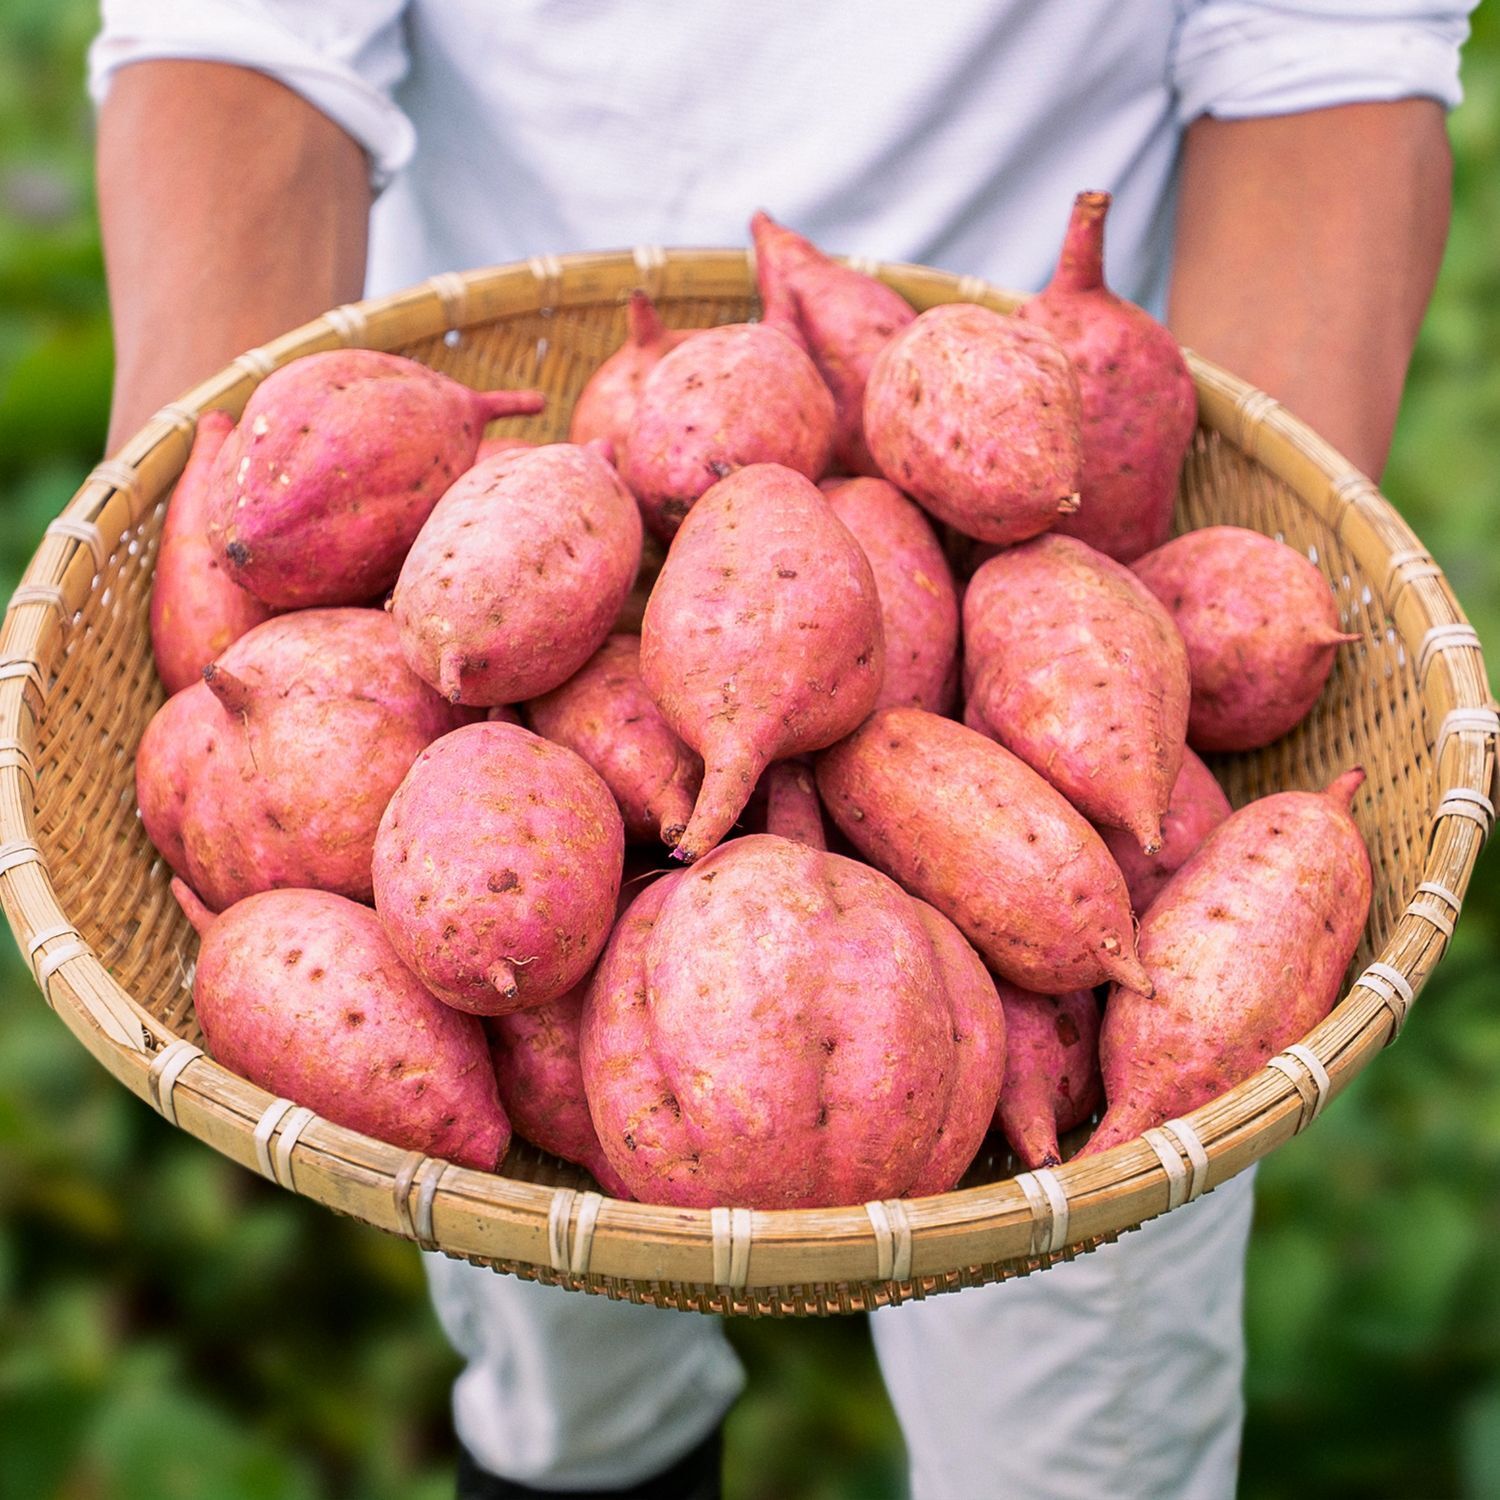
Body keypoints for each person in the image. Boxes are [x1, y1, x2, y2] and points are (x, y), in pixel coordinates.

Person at [88, 4, 1474, 1496]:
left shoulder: (970, 607)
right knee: (559, 1368)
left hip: (1055, 439)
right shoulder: (469, 738)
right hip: (510, 460)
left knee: (1079, 1423)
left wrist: (1212, 572)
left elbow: (1328, 58)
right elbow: (234, 38)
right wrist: (229, 545)